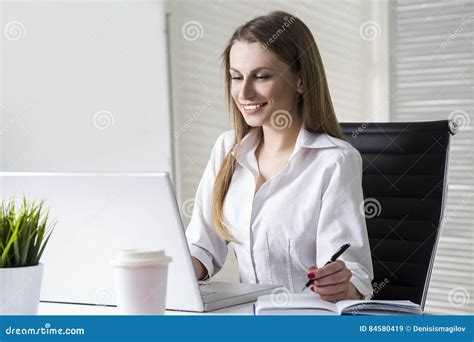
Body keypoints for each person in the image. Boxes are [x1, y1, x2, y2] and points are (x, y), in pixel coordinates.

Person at [185, 11, 373, 302]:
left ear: (300, 80)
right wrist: (166, 266)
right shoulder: (226, 149)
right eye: (236, 77)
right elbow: (201, 248)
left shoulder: (334, 161)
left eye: (261, 76)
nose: (244, 92)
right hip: (249, 319)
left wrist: (341, 284)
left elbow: (352, 273)